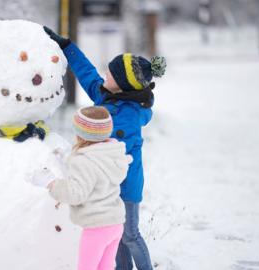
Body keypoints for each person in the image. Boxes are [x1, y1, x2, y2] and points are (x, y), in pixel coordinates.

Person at [43, 26, 167, 270]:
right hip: (107, 186)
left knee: (129, 235)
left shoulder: (128, 116)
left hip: (126, 186)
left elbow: (107, 151)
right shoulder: (107, 97)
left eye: (109, 75)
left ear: (120, 86)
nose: (104, 77)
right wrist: (67, 46)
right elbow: (87, 73)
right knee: (116, 235)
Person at [28, 106, 132, 270]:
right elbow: (95, 174)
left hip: (97, 228)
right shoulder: (112, 154)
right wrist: (66, 159)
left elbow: (76, 194)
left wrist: (51, 183)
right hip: (116, 224)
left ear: (82, 134)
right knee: (105, 267)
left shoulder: (84, 161)